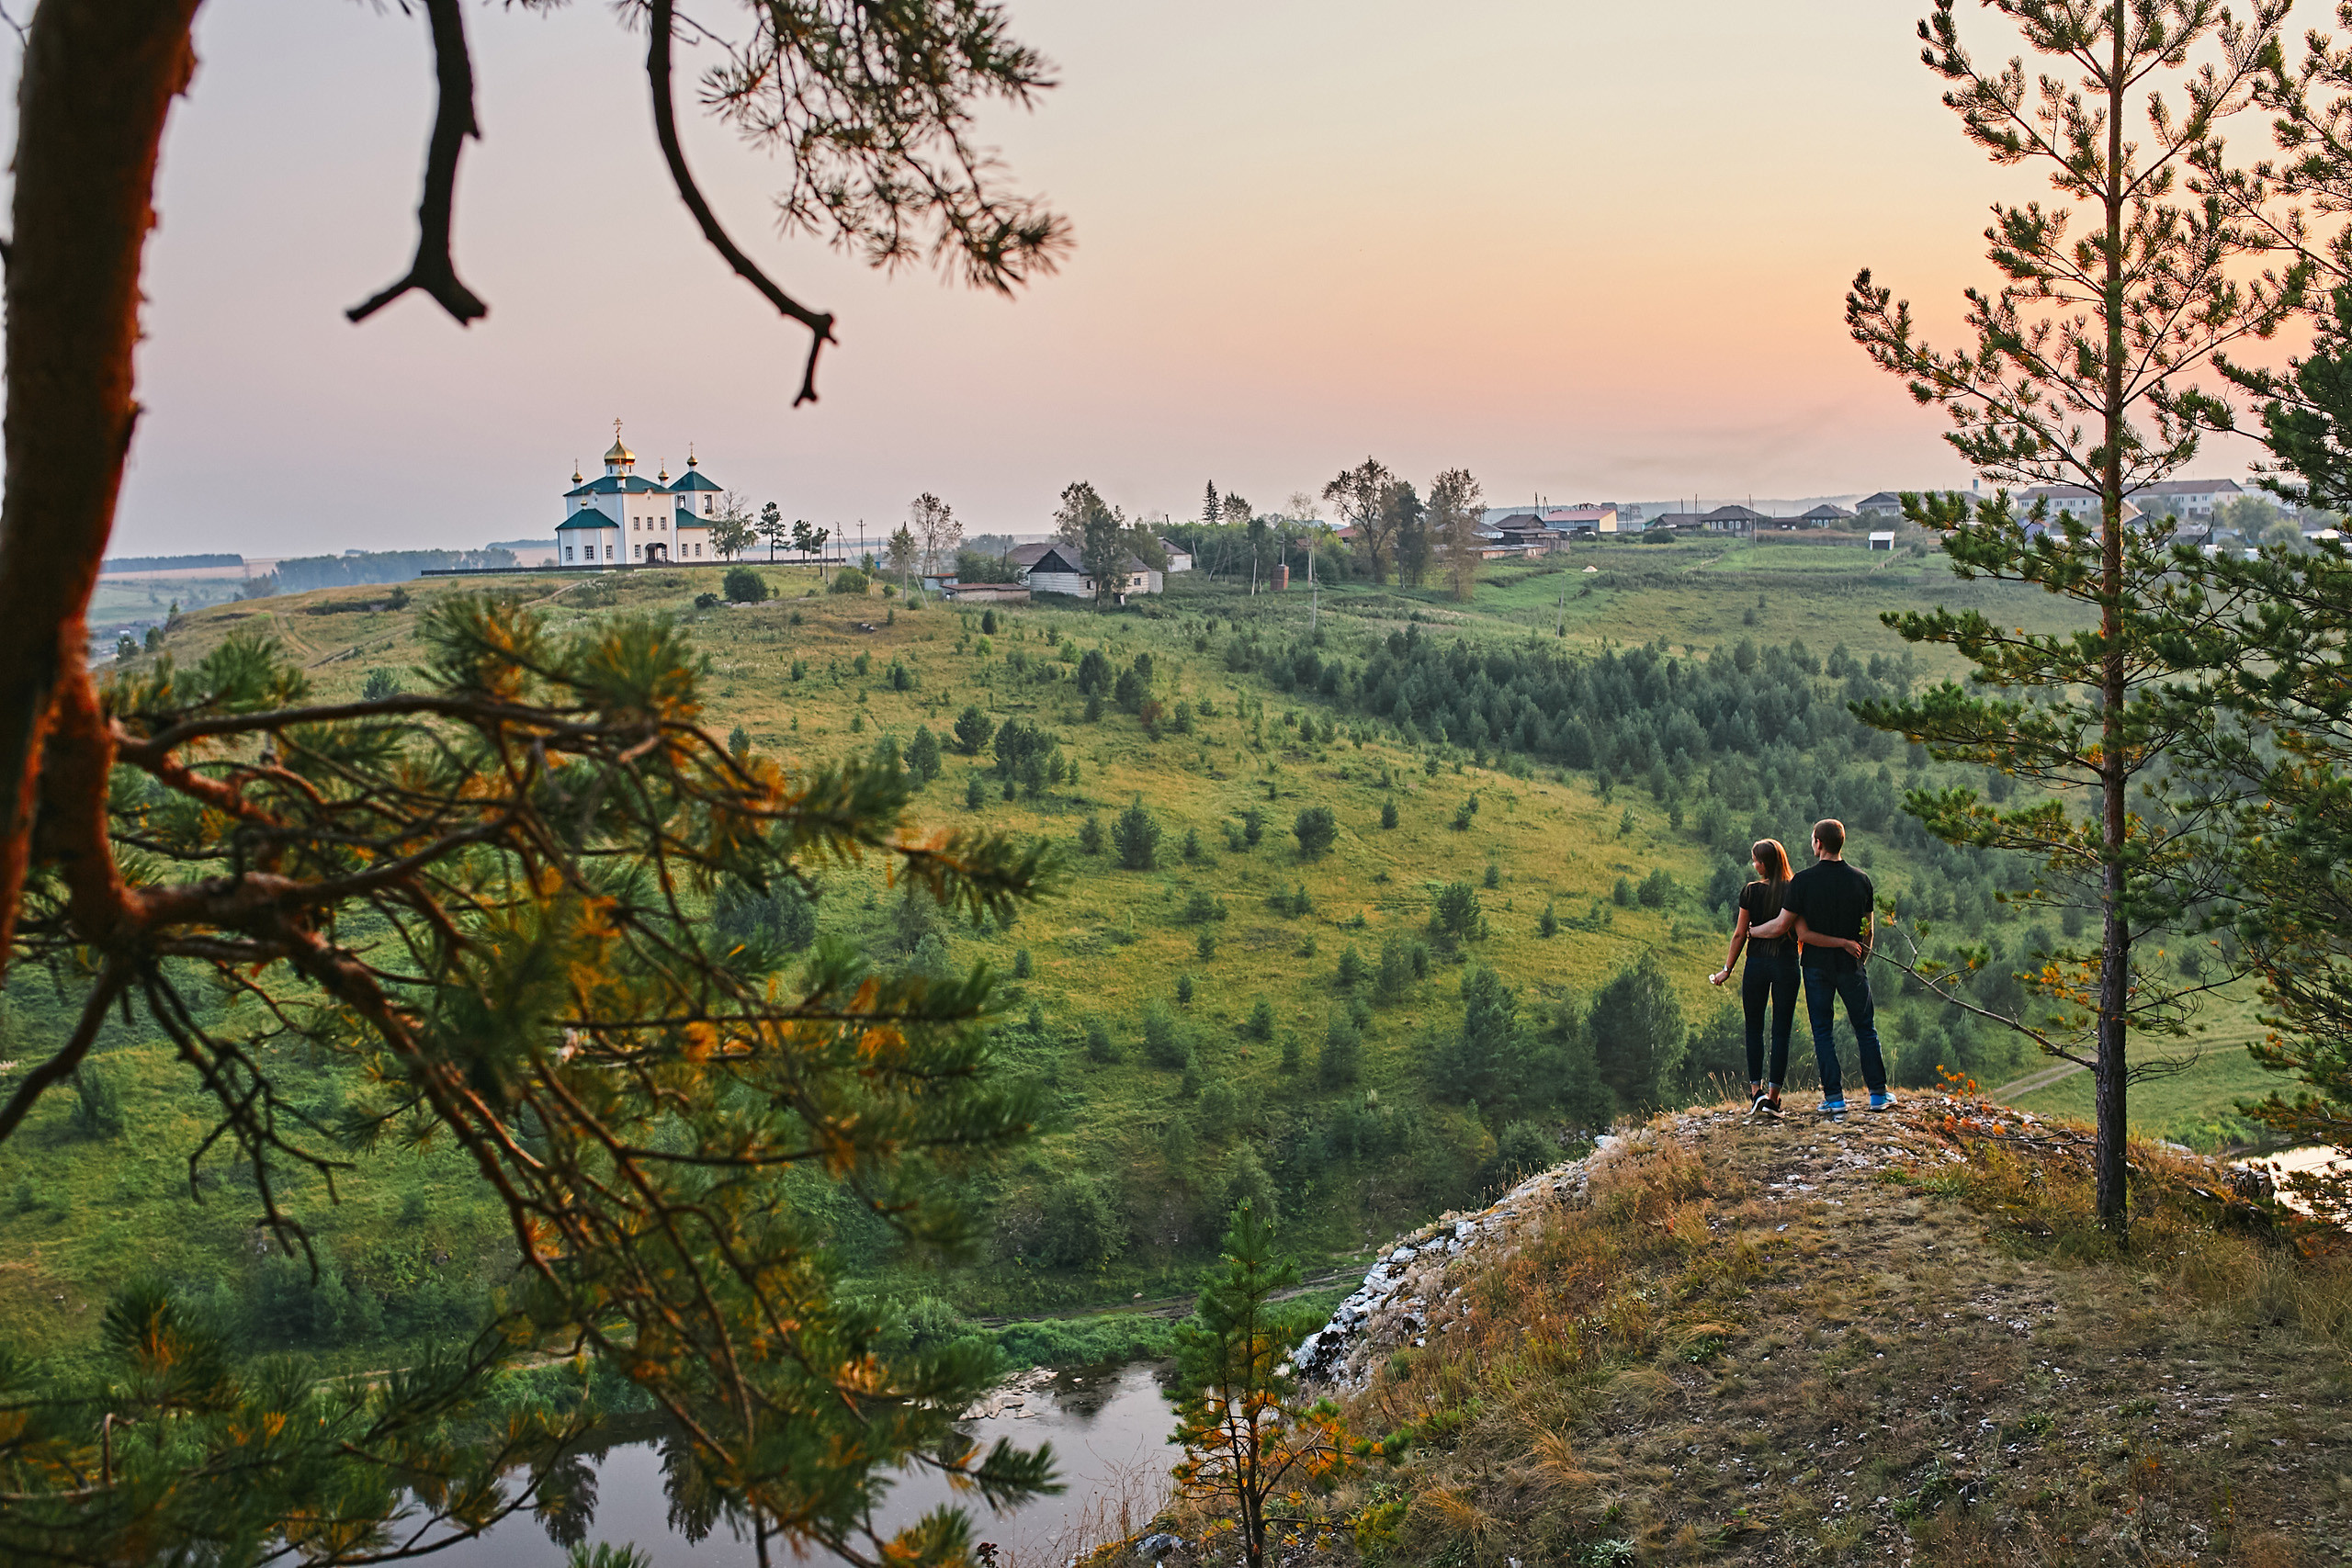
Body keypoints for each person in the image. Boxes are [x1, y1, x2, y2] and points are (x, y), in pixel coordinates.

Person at [1780, 818, 1891, 1113]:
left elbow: (1796, 931)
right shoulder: (1861, 879)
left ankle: (1835, 1099)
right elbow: (1868, 931)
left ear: (1818, 843)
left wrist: (1751, 931)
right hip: (1850, 965)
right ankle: (1878, 1095)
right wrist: (1858, 958)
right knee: (1865, 1028)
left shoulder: (1802, 881)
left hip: (1815, 966)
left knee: (1823, 1032)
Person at [1709, 839, 1802, 1117]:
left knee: (1754, 1028)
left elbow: (1740, 933)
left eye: (1756, 860)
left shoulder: (1750, 891)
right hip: (1786, 964)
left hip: (1757, 964)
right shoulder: (1794, 889)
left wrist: (1727, 968)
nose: (1753, 864)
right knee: (1781, 1030)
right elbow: (1797, 931)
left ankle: (1755, 1094)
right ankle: (1773, 1097)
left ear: (1764, 864)